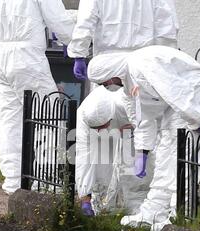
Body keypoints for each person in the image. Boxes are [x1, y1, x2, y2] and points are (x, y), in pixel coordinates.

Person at [88, 45, 200, 231]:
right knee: (165, 153)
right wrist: (142, 152)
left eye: (105, 82)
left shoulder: (142, 64)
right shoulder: (129, 85)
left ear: (110, 73)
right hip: (178, 103)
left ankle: (180, 212)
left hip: (194, 92)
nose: (106, 86)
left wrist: (196, 121)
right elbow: (141, 120)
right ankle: (153, 210)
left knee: (183, 154)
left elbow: (174, 90)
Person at [68, 0, 179, 213]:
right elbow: (167, 27)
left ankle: (103, 199)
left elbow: (86, 20)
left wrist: (78, 53)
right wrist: (165, 61)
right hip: (145, 64)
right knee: (142, 132)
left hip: (109, 65)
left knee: (101, 138)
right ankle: (139, 198)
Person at [0, 0, 75, 194]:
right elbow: (59, 20)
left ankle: (14, 179)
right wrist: (78, 44)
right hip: (27, 56)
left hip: (0, 56)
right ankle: (48, 179)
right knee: (48, 116)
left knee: (10, 121)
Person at [76, 86, 154, 216]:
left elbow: (148, 124)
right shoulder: (83, 117)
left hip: (133, 130)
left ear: (110, 117)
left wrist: (136, 129)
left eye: (102, 126)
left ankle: (139, 208)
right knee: (102, 170)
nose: (100, 130)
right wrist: (85, 198)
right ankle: (103, 208)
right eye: (97, 128)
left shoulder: (125, 104)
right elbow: (84, 159)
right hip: (111, 132)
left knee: (134, 173)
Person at [68, 0, 179, 81]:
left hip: (108, 64)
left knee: (108, 106)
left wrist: (79, 55)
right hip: (143, 63)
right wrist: (165, 57)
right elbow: (166, 25)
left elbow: (86, 20)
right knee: (140, 107)